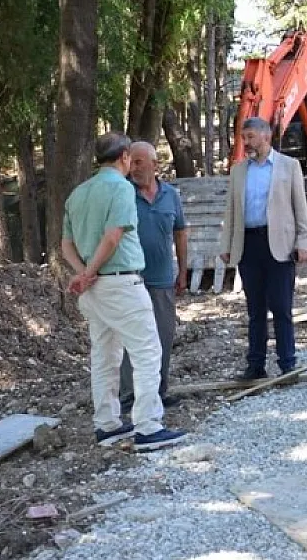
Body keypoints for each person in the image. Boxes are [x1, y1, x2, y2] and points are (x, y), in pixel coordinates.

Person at [61, 132, 187, 452]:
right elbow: (113, 236)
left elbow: (66, 244)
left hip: (94, 290)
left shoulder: (79, 193)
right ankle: (147, 427)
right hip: (121, 281)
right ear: (125, 157)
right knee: (147, 353)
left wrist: (83, 273)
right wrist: (89, 272)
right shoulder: (120, 188)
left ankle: (107, 425)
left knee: (104, 355)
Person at [219, 117, 307, 380]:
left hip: (279, 244)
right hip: (248, 244)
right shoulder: (238, 171)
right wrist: (226, 244)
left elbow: (300, 208)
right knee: (255, 310)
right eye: (243, 137)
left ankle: (287, 363)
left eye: (249, 137)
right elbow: (231, 210)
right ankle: (255, 366)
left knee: (281, 307)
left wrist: (302, 242)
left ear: (265, 136)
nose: (245, 142)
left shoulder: (289, 166)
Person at [118, 141, 188, 414]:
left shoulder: (171, 195)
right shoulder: (122, 194)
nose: (132, 168)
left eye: (137, 162)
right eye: (130, 162)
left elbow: (180, 232)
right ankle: (129, 395)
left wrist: (182, 271)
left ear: (154, 165)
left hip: (162, 279)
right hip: (130, 278)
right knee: (129, 338)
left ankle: (159, 391)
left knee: (162, 335)